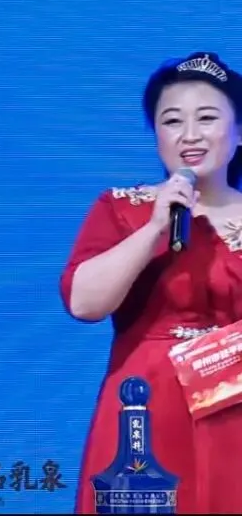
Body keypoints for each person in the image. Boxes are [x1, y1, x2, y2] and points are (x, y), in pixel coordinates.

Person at [60, 51, 242, 513]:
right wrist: (155, 227)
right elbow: (84, 304)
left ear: (240, 131)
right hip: (144, 409)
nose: (189, 134)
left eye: (207, 118)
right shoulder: (123, 208)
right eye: (172, 120)